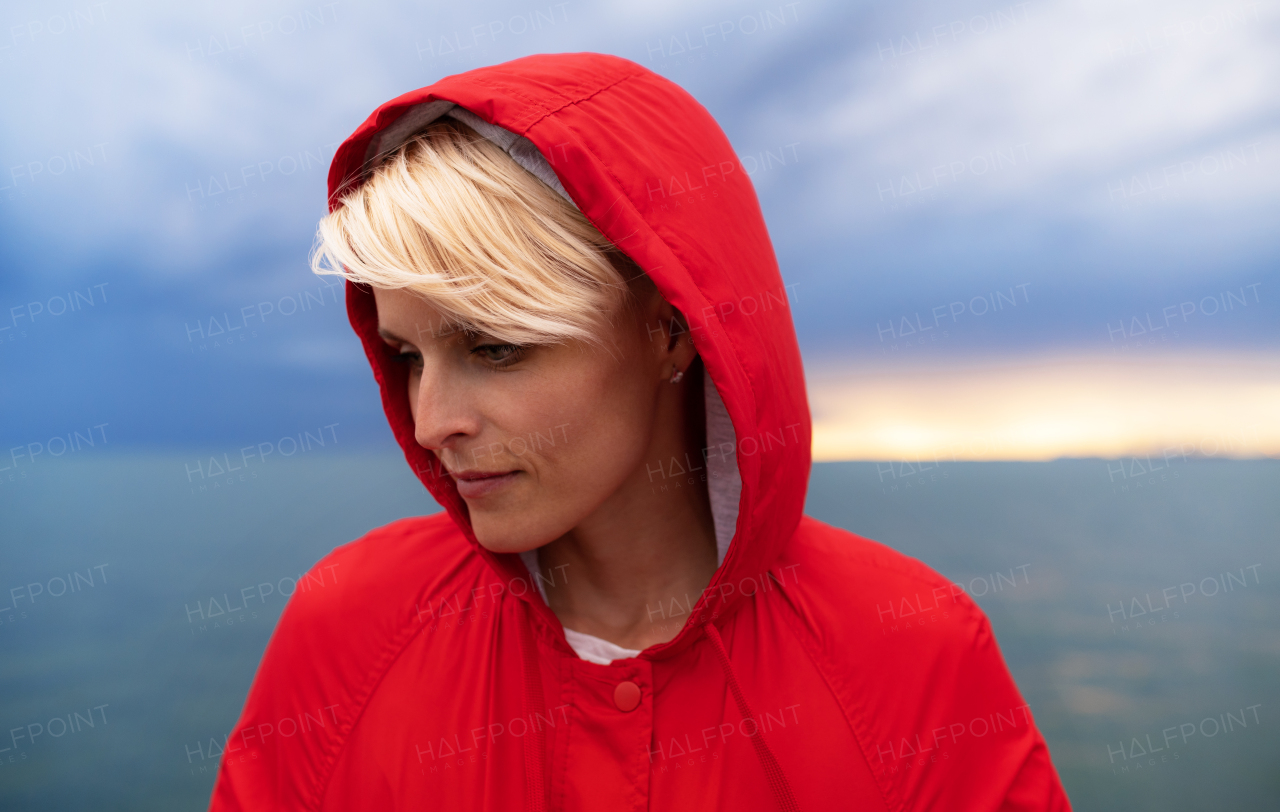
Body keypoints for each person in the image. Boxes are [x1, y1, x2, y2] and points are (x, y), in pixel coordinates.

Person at [209, 52, 1071, 811]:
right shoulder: (348, 628)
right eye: (406, 356)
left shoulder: (914, 654)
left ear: (669, 329)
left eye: (497, 346)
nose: (433, 422)